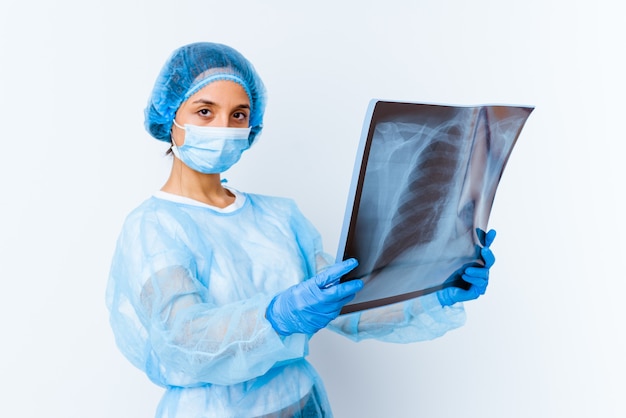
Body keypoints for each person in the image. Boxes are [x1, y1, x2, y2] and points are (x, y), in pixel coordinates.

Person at [106, 42, 496, 418]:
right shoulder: (153, 228)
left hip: (302, 403)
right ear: (170, 117)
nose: (224, 127)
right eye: (205, 112)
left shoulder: (279, 217)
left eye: (238, 115)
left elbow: (346, 307)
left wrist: (434, 291)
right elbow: (181, 340)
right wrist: (276, 317)